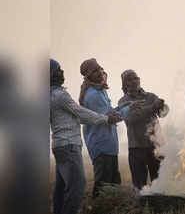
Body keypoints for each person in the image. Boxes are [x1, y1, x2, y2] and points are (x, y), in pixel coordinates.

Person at [50, 59, 121, 214]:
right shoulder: (60, 95)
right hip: (71, 145)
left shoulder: (52, 95)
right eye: (58, 70)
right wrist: (106, 118)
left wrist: (111, 115)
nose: (62, 72)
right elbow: (82, 114)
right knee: (78, 185)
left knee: (61, 188)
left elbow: (79, 116)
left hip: (62, 144)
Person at [79, 58, 126, 198]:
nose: (99, 72)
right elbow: (109, 119)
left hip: (108, 143)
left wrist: (125, 107)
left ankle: (110, 208)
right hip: (101, 144)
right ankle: (98, 208)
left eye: (100, 68)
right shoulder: (93, 94)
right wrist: (128, 110)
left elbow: (110, 112)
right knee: (103, 185)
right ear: (88, 75)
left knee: (113, 182)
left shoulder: (99, 90)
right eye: (94, 71)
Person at [118, 69, 168, 193]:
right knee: (139, 186)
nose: (133, 81)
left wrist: (163, 106)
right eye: (129, 79)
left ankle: (160, 206)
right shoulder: (123, 101)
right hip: (136, 147)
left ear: (139, 80)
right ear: (125, 84)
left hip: (155, 145)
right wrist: (152, 107)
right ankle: (141, 207)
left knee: (160, 181)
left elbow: (163, 113)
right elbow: (130, 118)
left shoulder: (150, 96)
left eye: (135, 78)